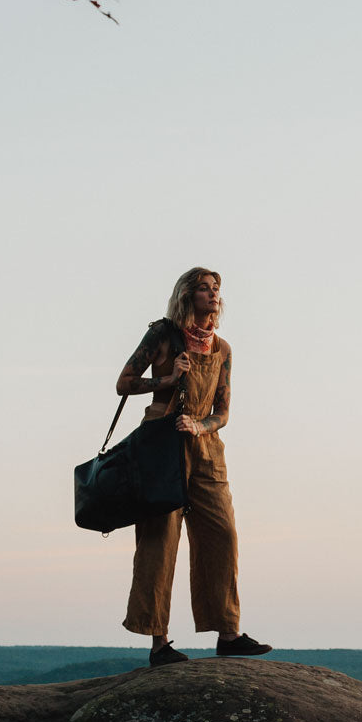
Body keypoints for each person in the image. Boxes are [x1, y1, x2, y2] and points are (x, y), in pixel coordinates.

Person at [116, 267, 271, 666]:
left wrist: (200, 426)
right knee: (159, 541)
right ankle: (159, 643)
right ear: (187, 295)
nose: (213, 294)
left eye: (216, 289)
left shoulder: (222, 349)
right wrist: (167, 378)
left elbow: (223, 411)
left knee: (223, 533)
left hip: (206, 449)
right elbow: (124, 382)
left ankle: (229, 633)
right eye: (204, 288)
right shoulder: (163, 334)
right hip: (161, 446)